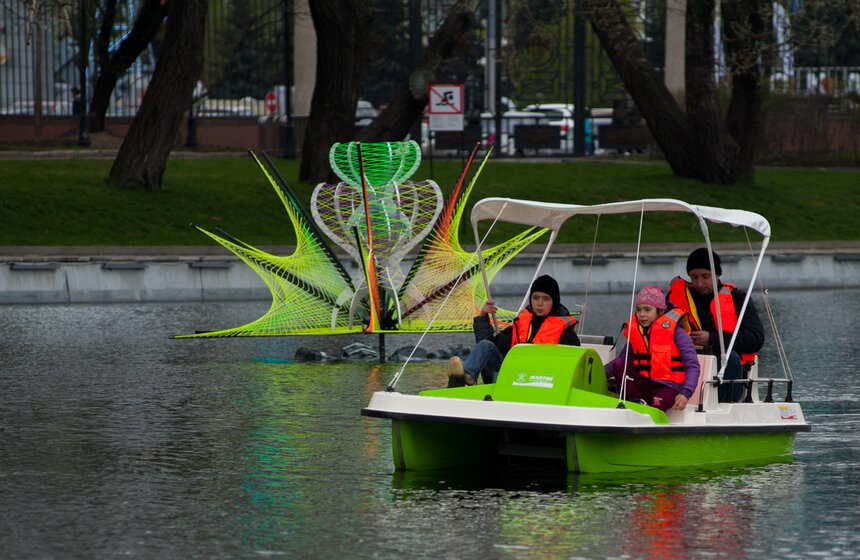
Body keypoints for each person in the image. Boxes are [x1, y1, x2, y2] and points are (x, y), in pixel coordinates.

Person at [666, 248, 765, 402]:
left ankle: (720, 404)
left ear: (717, 274)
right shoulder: (676, 297)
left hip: (727, 366)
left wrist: (712, 338)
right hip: (685, 362)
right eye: (694, 277)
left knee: (730, 358)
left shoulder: (737, 298)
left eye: (705, 277)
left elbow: (755, 339)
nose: (699, 283)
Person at [447, 274, 580, 387]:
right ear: (530, 299)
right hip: (512, 377)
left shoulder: (566, 333)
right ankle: (466, 377)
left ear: (554, 301)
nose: (540, 303)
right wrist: (483, 318)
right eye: (535, 298)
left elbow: (571, 367)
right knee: (485, 345)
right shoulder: (520, 325)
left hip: (542, 382)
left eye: (546, 299)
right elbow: (489, 345)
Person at [604, 285, 700, 412]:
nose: (642, 314)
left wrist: (685, 393)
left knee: (657, 407)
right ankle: (635, 401)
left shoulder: (678, 333)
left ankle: (647, 413)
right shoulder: (637, 333)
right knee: (620, 363)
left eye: (647, 310)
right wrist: (595, 373)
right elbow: (620, 362)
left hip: (668, 387)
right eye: (638, 310)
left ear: (660, 311)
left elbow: (693, 366)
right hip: (645, 384)